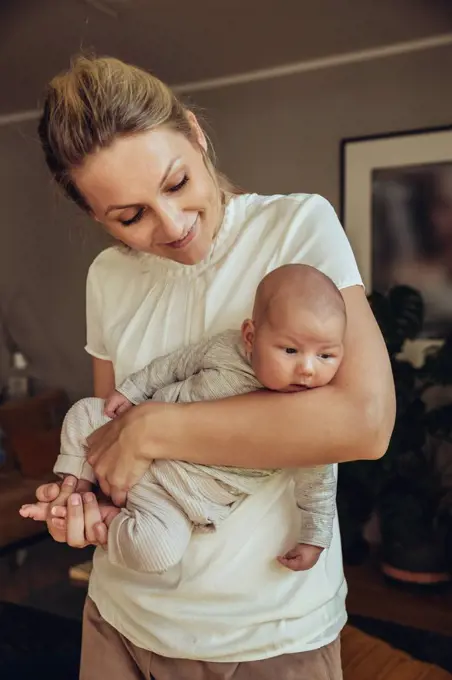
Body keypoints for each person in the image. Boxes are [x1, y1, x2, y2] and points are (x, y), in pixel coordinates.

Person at [31, 55, 395, 680]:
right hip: (117, 619)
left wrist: (151, 429)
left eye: (176, 183)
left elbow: (362, 422)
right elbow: (110, 443)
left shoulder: (295, 226)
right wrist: (85, 503)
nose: (170, 225)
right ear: (96, 216)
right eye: (130, 216)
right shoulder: (108, 277)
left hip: (264, 641)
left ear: (197, 136)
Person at [22, 264, 345, 575]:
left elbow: (319, 484)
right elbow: (175, 365)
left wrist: (315, 537)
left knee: (158, 550)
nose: (308, 369)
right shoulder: (226, 350)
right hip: (126, 446)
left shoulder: (307, 417)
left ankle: (105, 521)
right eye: (290, 350)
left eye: (326, 355)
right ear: (250, 336)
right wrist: (133, 390)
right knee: (85, 413)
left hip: (176, 497)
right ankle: (73, 486)